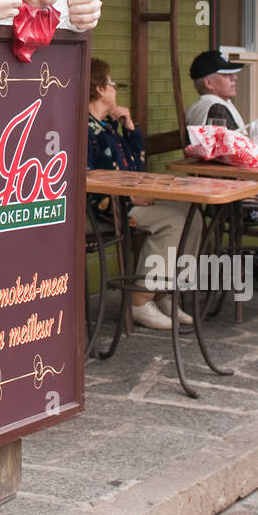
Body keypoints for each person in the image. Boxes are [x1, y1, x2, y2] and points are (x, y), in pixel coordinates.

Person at [88, 58, 200, 330]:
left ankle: (163, 292)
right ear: (101, 88)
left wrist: (129, 128)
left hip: (124, 203)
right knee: (172, 221)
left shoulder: (107, 128)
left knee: (192, 214)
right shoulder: (84, 129)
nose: (116, 89)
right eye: (112, 83)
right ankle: (140, 300)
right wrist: (127, 198)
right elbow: (84, 179)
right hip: (105, 210)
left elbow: (135, 169)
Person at [185, 50, 245, 131]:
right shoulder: (216, 109)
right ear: (209, 83)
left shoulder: (206, 105)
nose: (234, 77)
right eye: (226, 74)